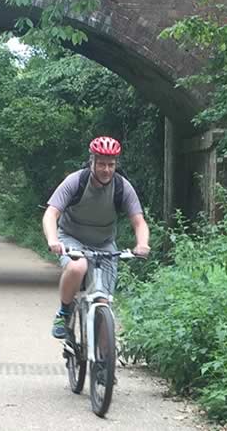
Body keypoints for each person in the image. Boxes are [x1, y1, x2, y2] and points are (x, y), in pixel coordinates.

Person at [44, 136, 151, 339]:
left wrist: (142, 244)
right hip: (71, 237)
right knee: (78, 267)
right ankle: (64, 313)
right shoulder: (76, 181)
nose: (106, 169)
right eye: (101, 164)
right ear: (91, 161)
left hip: (104, 244)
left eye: (111, 164)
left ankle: (103, 365)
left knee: (103, 303)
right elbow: (51, 214)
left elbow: (139, 222)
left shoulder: (122, 187)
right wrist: (53, 240)